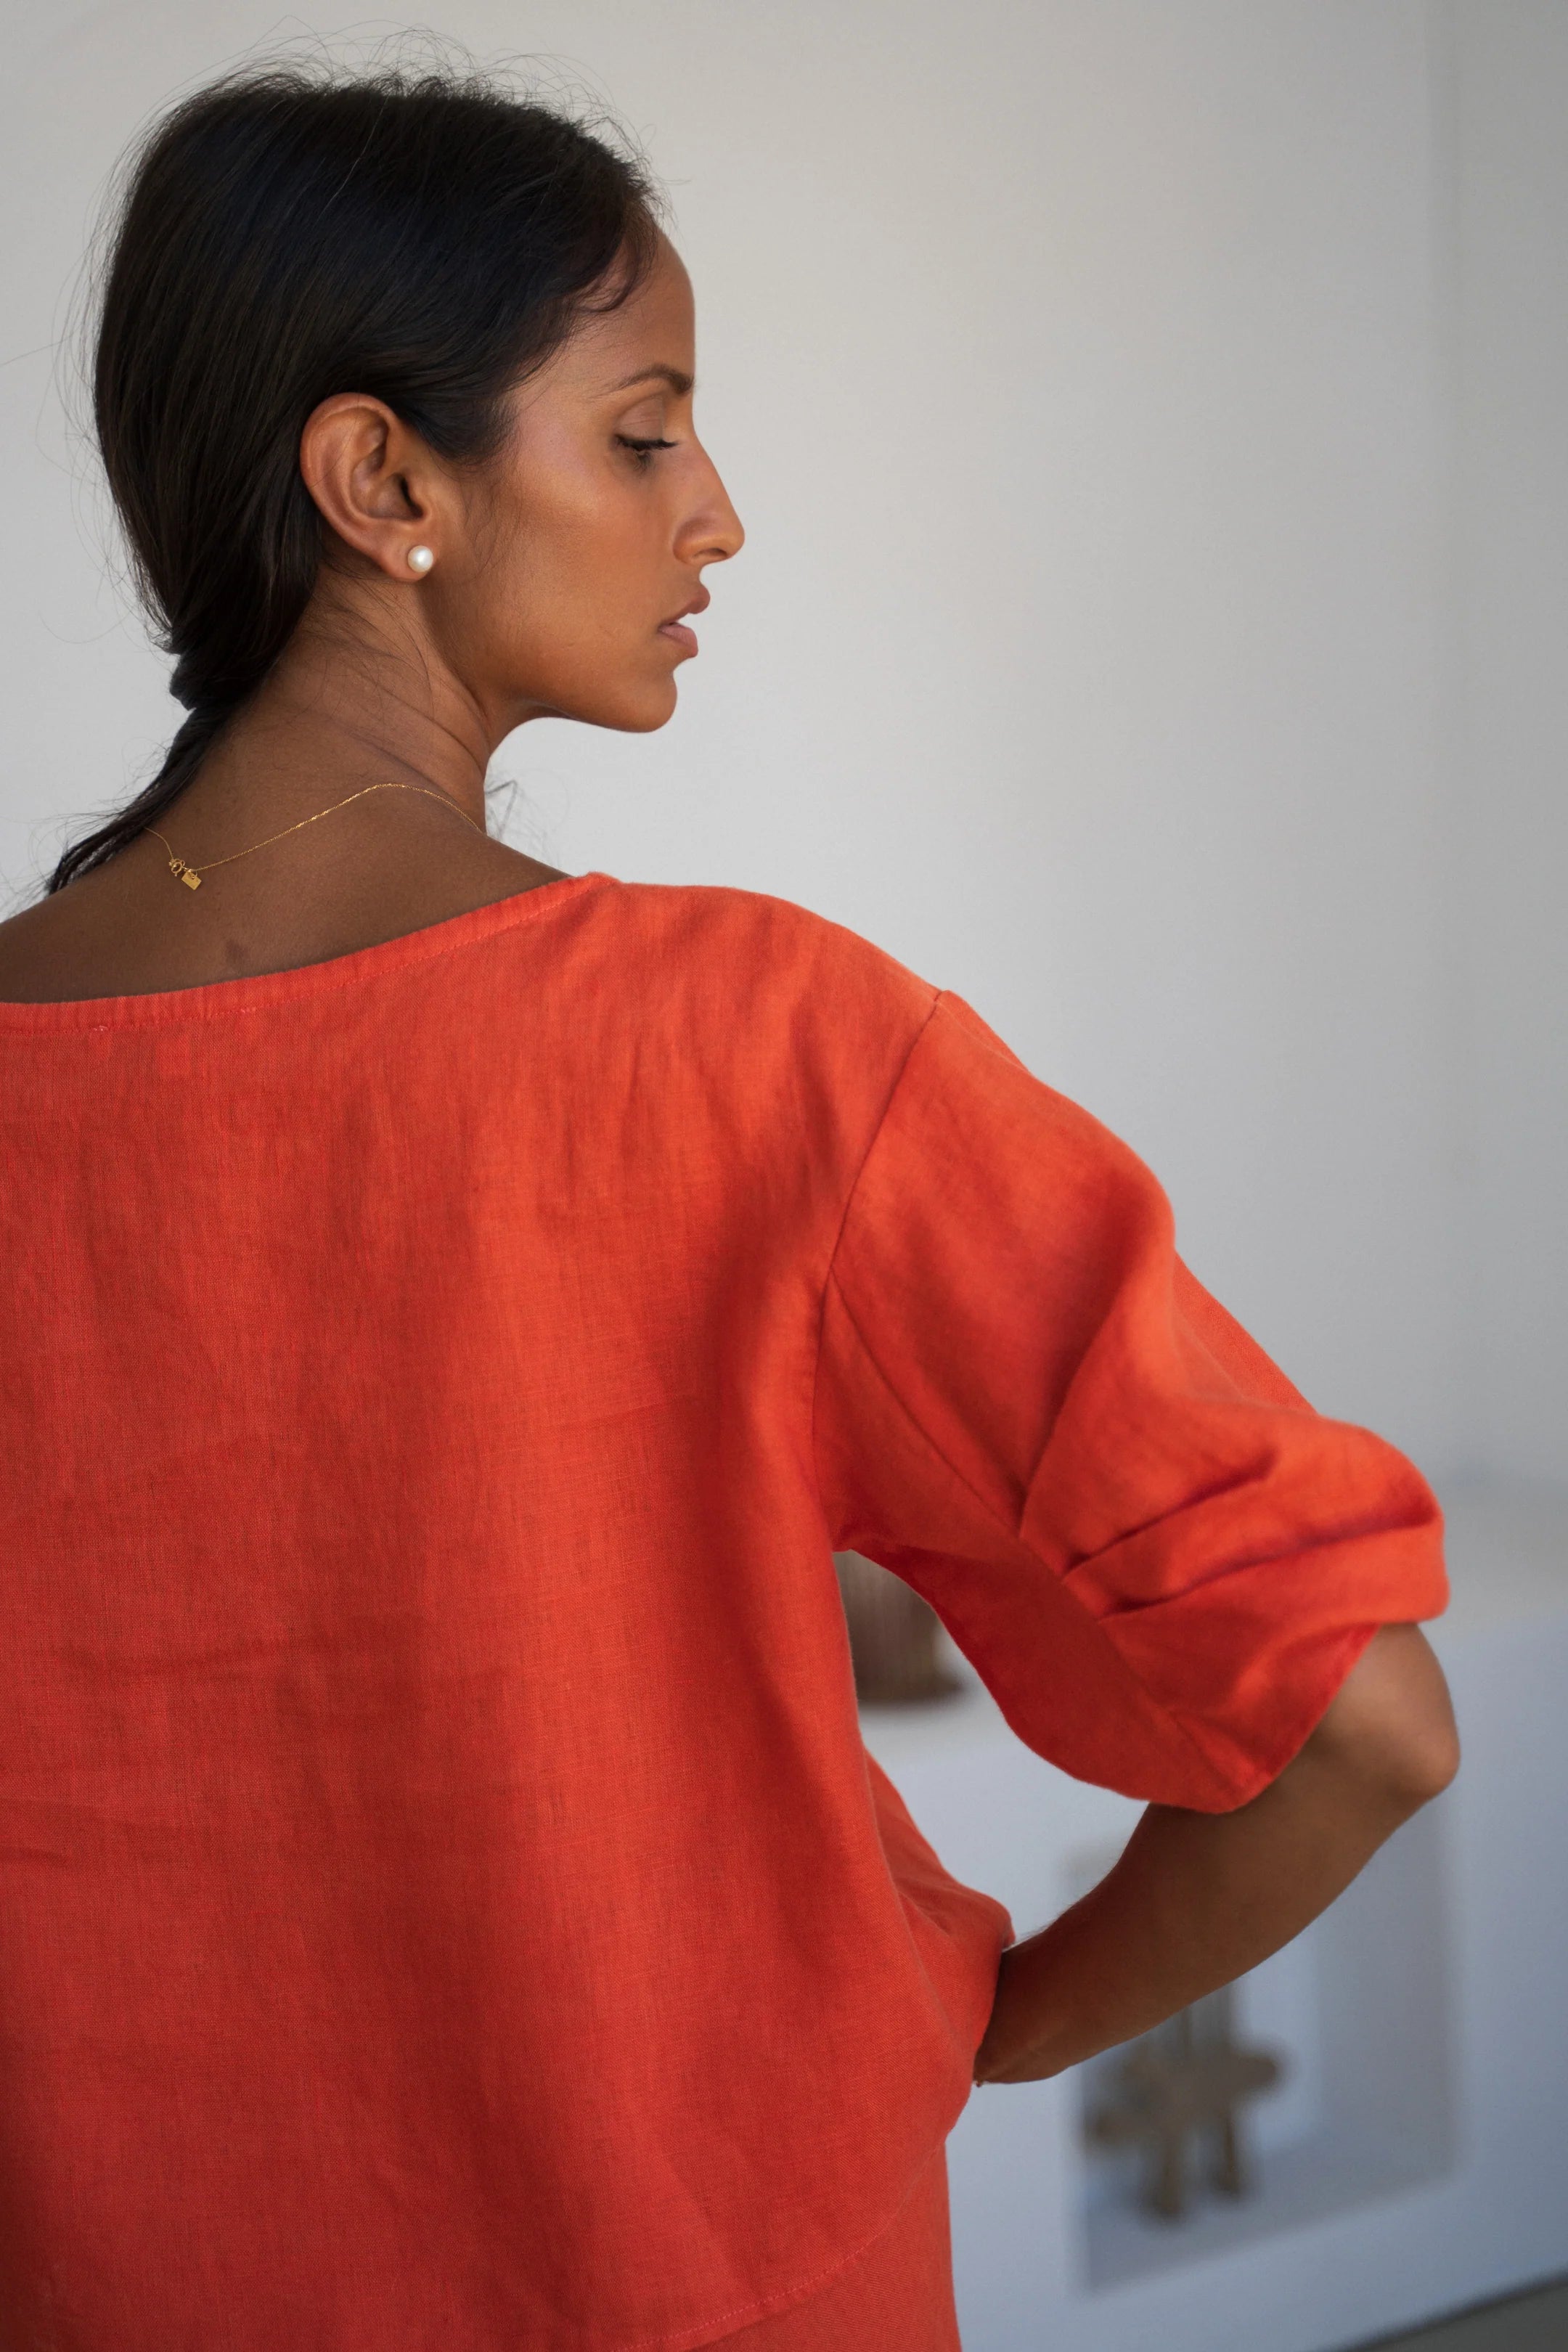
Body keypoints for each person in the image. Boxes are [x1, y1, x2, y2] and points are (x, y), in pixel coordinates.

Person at [0, 58, 1457, 2352]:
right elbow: (1368, 1715)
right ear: (386, 482)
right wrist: (1002, 2024)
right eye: (645, 434)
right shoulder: (760, 1051)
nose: (719, 518)